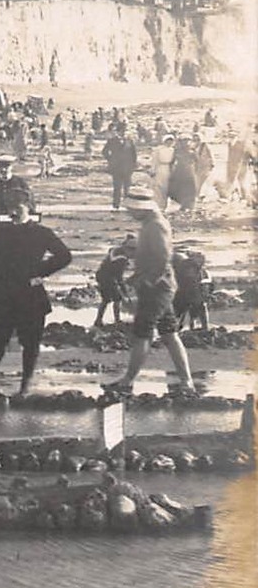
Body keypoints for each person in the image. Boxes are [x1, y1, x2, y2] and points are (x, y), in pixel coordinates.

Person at [0, 186, 72, 397]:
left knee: (30, 343)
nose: (14, 211)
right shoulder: (1, 232)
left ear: (29, 207)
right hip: (3, 295)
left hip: (30, 296)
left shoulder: (41, 233)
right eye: (10, 206)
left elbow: (64, 256)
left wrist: (40, 273)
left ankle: (26, 384)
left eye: (18, 206)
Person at [102, 195, 196, 396]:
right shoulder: (152, 222)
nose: (129, 213)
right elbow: (154, 258)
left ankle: (127, 381)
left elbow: (162, 258)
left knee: (142, 333)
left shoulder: (154, 226)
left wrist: (146, 281)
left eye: (131, 210)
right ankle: (187, 382)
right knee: (169, 333)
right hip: (163, 286)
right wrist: (135, 279)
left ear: (140, 208)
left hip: (157, 288)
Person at [0, 157, 33, 236]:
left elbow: (29, 202)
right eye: (1, 167)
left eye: (6, 167)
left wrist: (30, 219)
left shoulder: (20, 182)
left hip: (15, 222)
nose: (3, 169)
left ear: (11, 167)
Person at [94, 234, 135, 328]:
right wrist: (124, 291)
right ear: (128, 249)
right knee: (117, 298)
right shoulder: (122, 259)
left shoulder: (117, 250)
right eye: (133, 251)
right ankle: (117, 321)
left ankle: (98, 320)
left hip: (101, 274)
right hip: (107, 278)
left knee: (106, 299)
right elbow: (119, 277)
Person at [102, 131, 139, 210]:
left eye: (123, 132)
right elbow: (104, 151)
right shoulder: (112, 141)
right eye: (120, 132)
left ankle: (127, 205)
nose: (122, 134)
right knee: (117, 187)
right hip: (116, 168)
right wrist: (110, 159)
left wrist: (133, 165)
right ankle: (116, 205)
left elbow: (134, 154)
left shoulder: (130, 141)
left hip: (127, 168)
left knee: (127, 187)